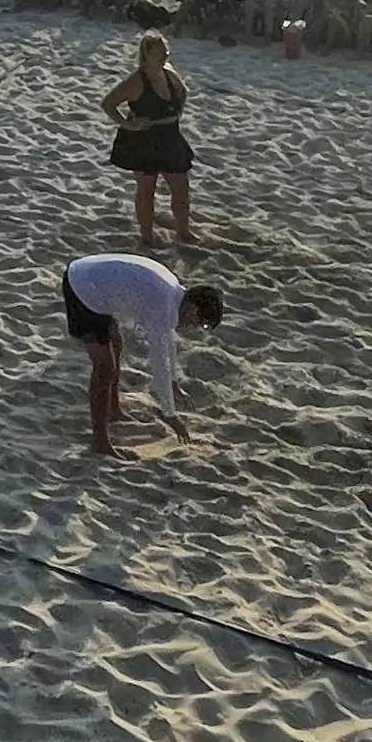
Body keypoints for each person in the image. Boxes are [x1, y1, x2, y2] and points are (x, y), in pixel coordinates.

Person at [61, 252, 223, 455]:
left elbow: (167, 342)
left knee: (116, 345)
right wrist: (170, 415)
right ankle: (100, 442)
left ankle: (114, 412)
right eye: (201, 322)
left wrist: (174, 385)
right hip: (83, 288)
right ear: (191, 307)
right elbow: (159, 361)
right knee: (104, 367)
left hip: (96, 282)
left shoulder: (173, 293)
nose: (195, 327)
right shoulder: (162, 306)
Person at [103, 32, 194, 247]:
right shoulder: (136, 81)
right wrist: (128, 123)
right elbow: (108, 103)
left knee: (181, 187)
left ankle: (184, 231)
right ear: (146, 55)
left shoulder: (169, 73)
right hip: (144, 139)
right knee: (146, 189)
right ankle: (146, 236)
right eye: (159, 54)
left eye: (166, 53)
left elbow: (183, 92)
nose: (164, 57)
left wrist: (175, 113)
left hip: (170, 135)